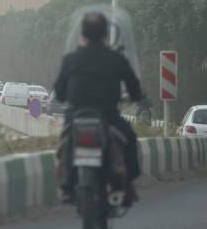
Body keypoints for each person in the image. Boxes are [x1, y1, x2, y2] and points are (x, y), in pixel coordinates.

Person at [53, 12, 144, 207]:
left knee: (64, 143)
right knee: (129, 139)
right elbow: (134, 88)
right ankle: (125, 185)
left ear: (83, 35)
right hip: (108, 116)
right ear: (105, 35)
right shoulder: (116, 59)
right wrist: (138, 97)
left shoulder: (71, 59)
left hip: (76, 116)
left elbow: (59, 92)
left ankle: (66, 185)